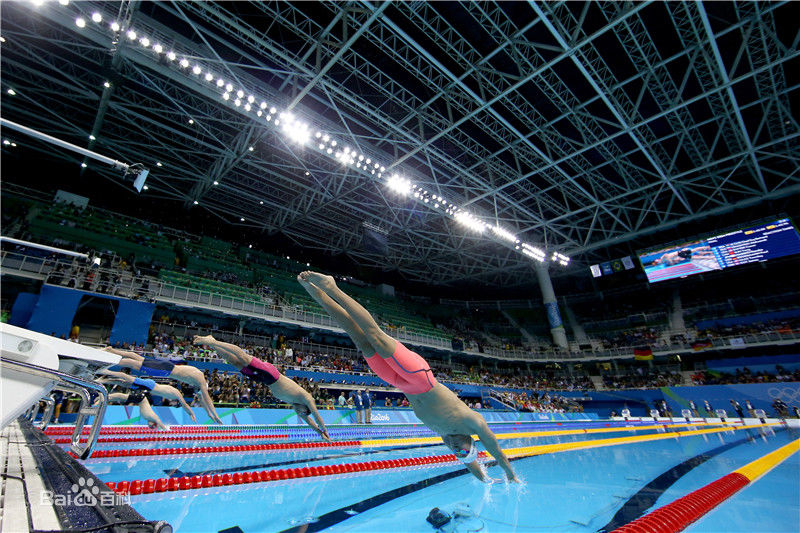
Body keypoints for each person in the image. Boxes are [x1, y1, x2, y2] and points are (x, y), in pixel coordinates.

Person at [297, 271, 519, 483]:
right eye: (461, 450)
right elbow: (496, 450)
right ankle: (332, 287)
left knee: (359, 338)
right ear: (470, 444)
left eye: (456, 453)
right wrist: (510, 474)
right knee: (375, 336)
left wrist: (484, 479)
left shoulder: (447, 436)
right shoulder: (474, 423)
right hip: (420, 378)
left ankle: (317, 293)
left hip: (399, 383)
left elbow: (469, 462)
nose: (454, 449)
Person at [192, 335, 331, 441]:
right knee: (243, 357)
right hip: (271, 374)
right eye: (302, 413)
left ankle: (213, 344)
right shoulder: (306, 398)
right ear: (306, 409)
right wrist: (325, 431)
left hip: (263, 380)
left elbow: (310, 421)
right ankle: (212, 341)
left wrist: (319, 434)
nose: (299, 414)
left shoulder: (296, 405)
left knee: (235, 363)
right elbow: (317, 417)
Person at [103, 347, 222, 424]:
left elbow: (203, 399)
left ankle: (111, 350)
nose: (198, 393)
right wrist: (215, 416)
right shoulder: (200, 382)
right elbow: (207, 399)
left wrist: (209, 414)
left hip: (167, 365)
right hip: (166, 371)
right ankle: (107, 361)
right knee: (134, 365)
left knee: (138, 358)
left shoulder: (198, 374)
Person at [98, 370, 197, 422]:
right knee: (127, 378)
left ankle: (104, 380)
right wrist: (191, 413)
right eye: (175, 405)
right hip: (150, 385)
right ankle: (107, 372)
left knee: (124, 383)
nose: (172, 404)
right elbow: (185, 405)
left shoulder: (173, 394)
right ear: (177, 402)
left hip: (149, 387)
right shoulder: (177, 395)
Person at [101, 375, 168, 430]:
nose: (149, 426)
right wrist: (165, 429)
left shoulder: (148, 418)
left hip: (140, 399)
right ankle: (105, 393)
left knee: (121, 397)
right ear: (154, 423)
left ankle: (106, 396)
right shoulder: (153, 417)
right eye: (151, 426)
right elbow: (160, 422)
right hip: (141, 399)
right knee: (121, 396)